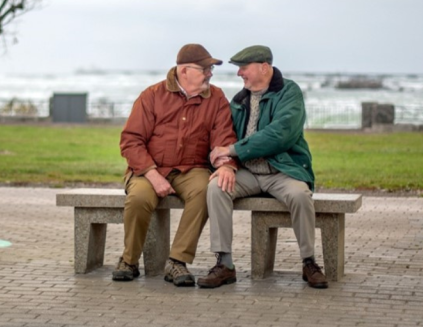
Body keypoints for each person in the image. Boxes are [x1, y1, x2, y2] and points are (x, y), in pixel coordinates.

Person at [197, 45, 329, 289]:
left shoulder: (289, 92)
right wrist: (226, 164)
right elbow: (225, 134)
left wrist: (233, 150)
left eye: (244, 68)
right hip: (247, 173)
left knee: (300, 196)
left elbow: (280, 134)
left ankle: (309, 261)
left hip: (282, 171)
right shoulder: (239, 100)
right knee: (216, 188)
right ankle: (224, 263)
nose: (239, 74)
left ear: (264, 67)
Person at [114, 43, 238, 287]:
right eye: (205, 69)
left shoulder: (216, 98)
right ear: (184, 71)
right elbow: (131, 141)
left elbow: (224, 139)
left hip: (192, 169)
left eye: (211, 69)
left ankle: (177, 261)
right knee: (138, 198)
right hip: (149, 169)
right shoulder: (152, 95)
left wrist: (225, 165)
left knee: (206, 191)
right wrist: (151, 174)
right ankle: (129, 261)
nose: (210, 73)